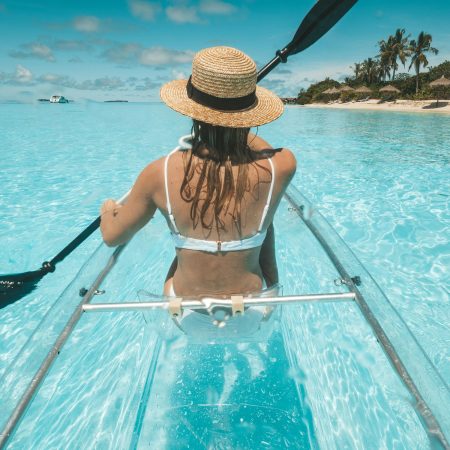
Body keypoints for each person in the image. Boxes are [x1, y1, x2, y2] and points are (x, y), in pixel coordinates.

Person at [100, 46, 296, 304]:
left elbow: (113, 237)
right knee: (265, 223)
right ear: (249, 115)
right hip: (256, 306)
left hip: (185, 310)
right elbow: (262, 147)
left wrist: (108, 209)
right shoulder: (282, 165)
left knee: (184, 242)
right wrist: (234, 118)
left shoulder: (159, 172)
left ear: (192, 110)